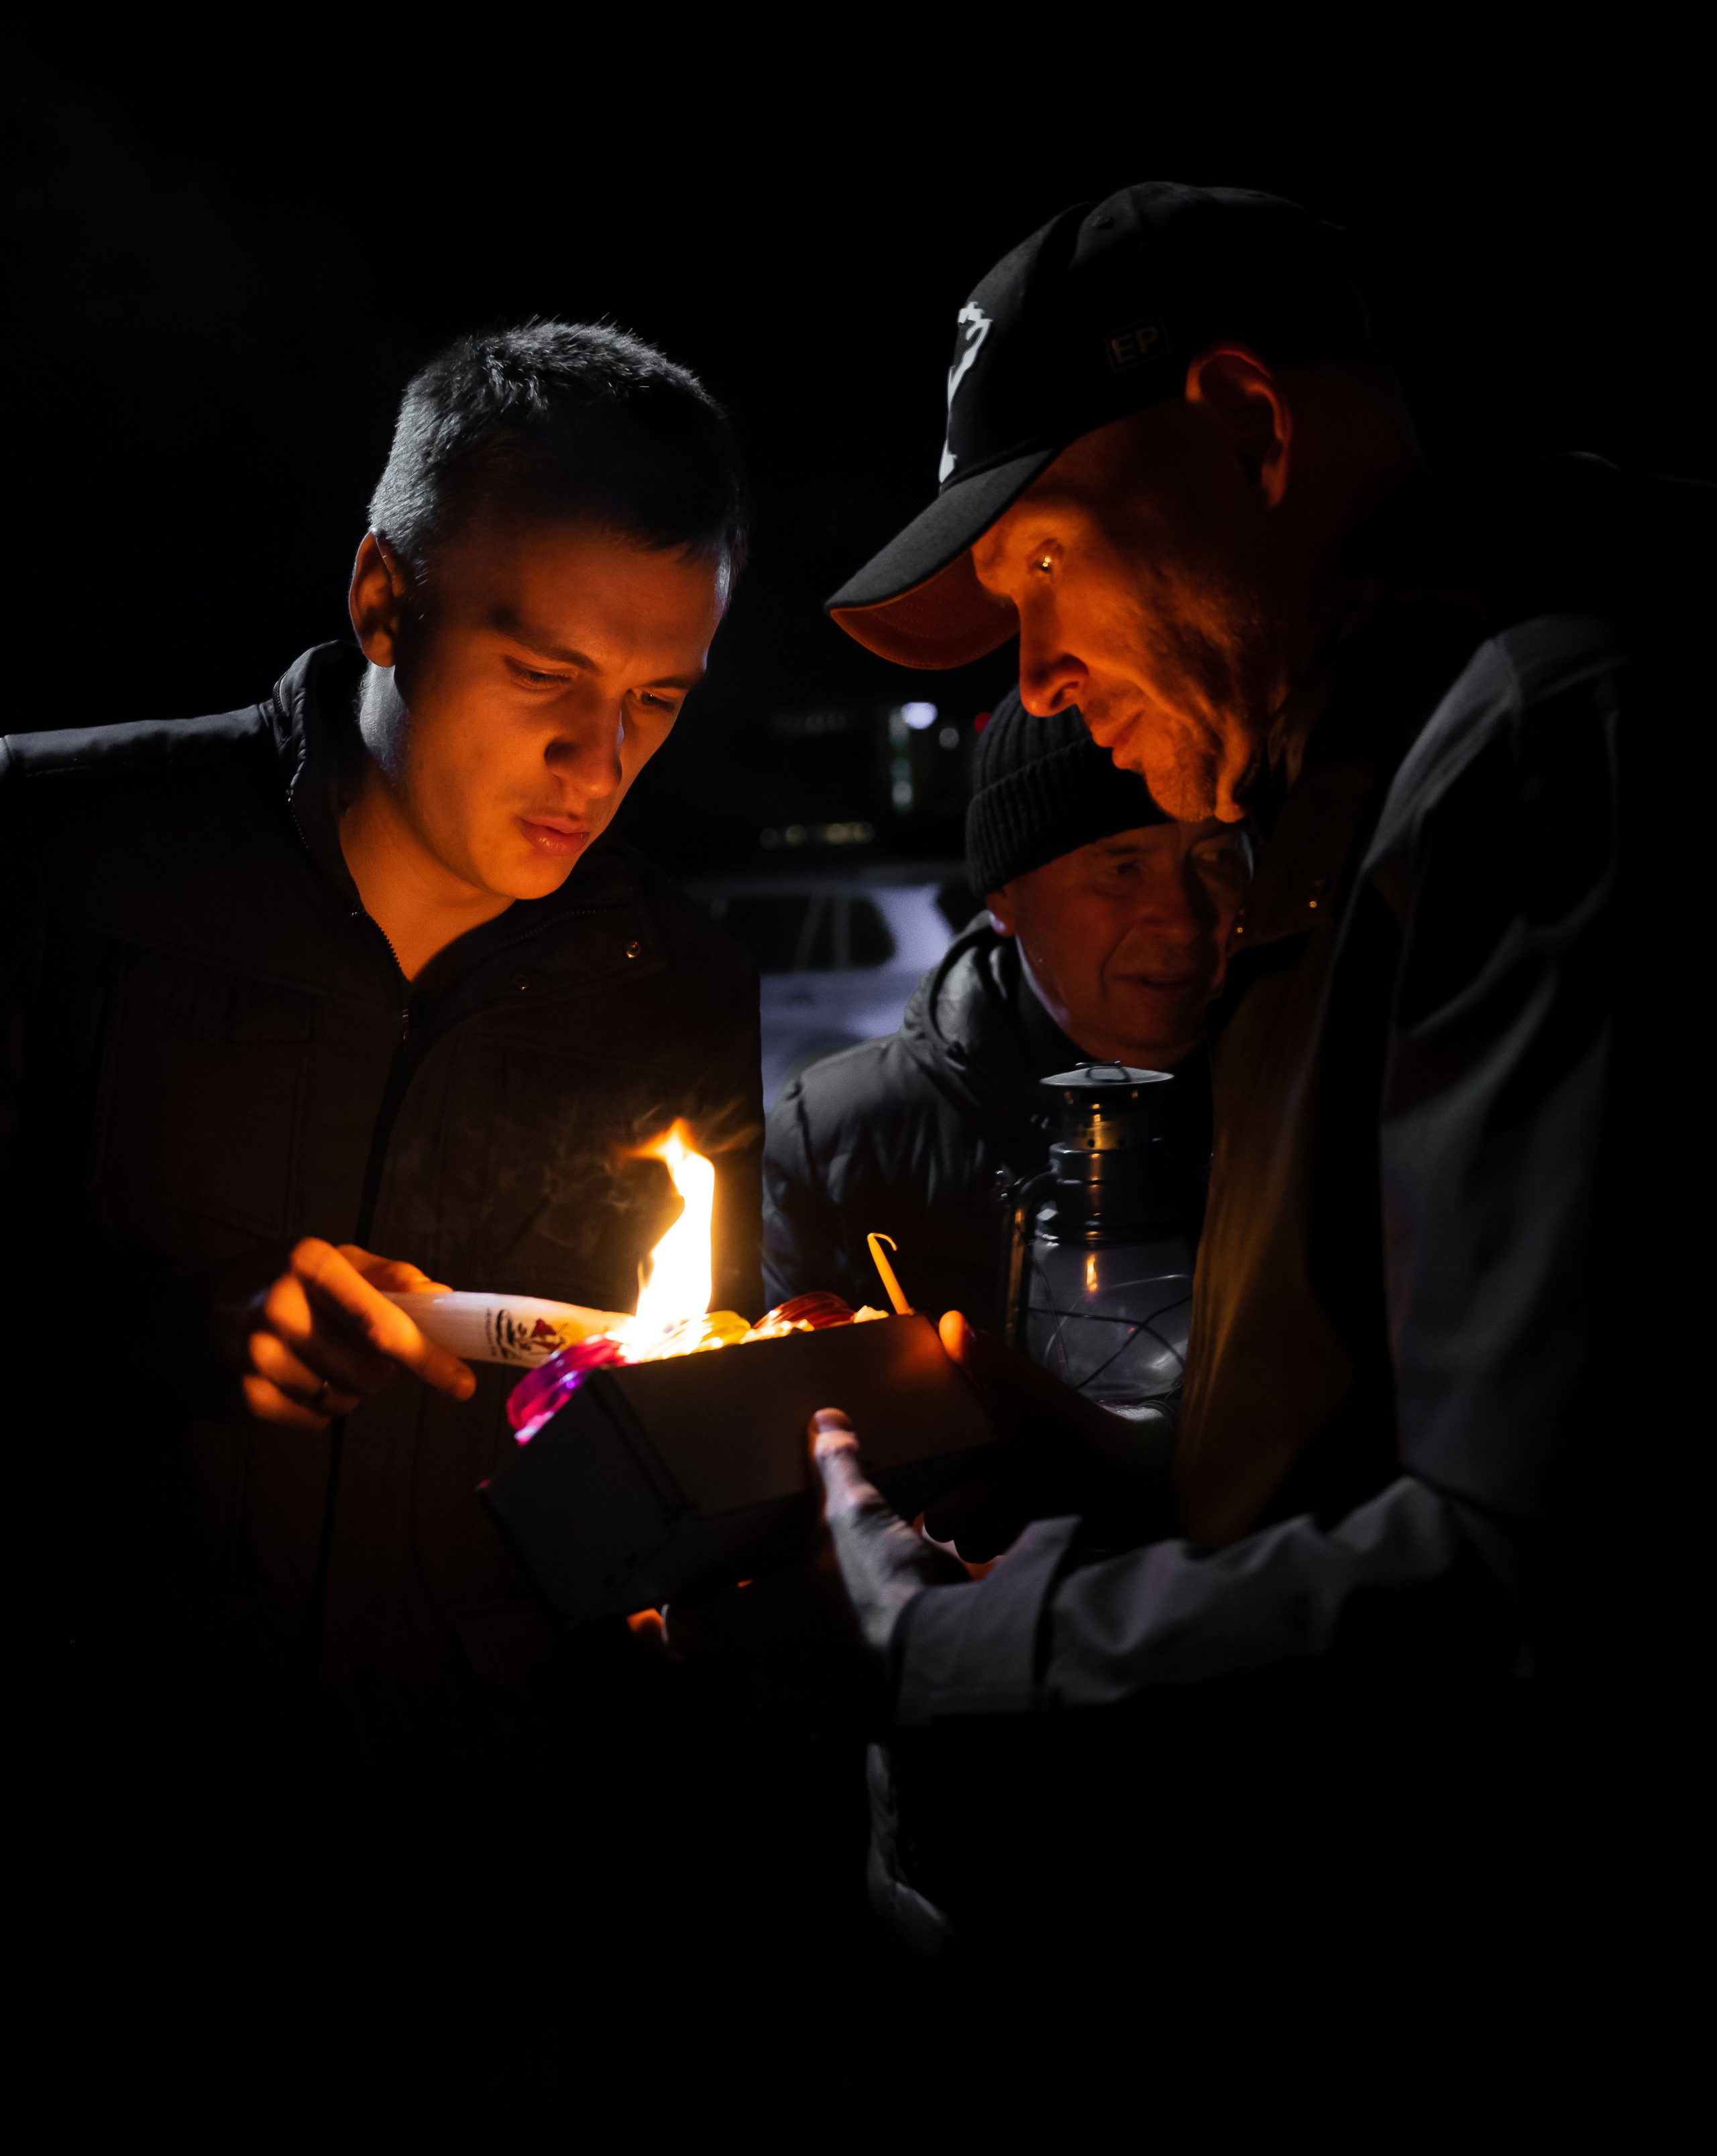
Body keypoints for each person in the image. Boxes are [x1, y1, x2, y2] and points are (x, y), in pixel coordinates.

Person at [710, 182, 1705, 1973]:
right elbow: (1365, 1450)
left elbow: (1528, 1584)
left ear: (1245, 428)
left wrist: (938, 1653)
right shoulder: (1344, 816)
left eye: (1038, 566)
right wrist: (1042, 1436)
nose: (1038, 678)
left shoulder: (1549, 747)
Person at [1, 321, 760, 2117]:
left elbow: (642, 1482)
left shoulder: (668, 985)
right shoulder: (63, 856)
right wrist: (191, 1331)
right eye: (545, 671)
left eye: (661, 701)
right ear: (382, 597)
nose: (598, 757)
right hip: (94, 1872)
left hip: (467, 1929)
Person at [762, 685, 1245, 1326]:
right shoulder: (841, 1140)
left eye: (1214, 858)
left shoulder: (1315, 1097)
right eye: (1123, 868)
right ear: (1005, 897)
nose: (1184, 920)